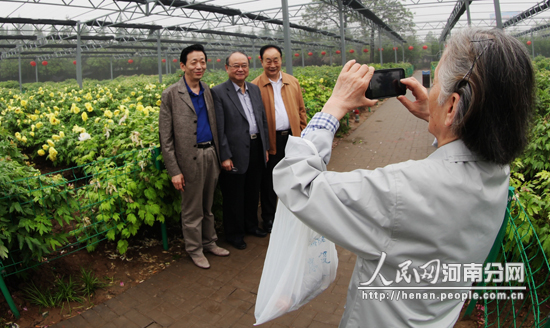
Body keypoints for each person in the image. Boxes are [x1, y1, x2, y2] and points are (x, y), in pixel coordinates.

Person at [272, 28, 533, 327]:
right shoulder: (499, 170)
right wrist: (440, 120)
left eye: (434, 82)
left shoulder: (401, 190)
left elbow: (297, 183)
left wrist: (334, 106)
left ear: (452, 106)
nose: (429, 89)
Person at [158, 44, 230, 270]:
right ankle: (194, 249)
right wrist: (174, 171)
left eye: (202, 62)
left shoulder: (208, 90)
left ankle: (209, 243)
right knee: (192, 209)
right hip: (188, 160)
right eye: (194, 62)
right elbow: (165, 138)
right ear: (183, 65)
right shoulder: (171, 94)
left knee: (207, 205)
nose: (199, 66)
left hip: (210, 154)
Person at [212, 51, 270, 250]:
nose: (240, 69)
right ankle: (234, 234)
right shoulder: (219, 92)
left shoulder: (254, 89)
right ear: (227, 68)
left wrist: (265, 147)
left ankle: (251, 225)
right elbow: (219, 128)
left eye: (244, 65)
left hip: (255, 147)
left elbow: (261, 120)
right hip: (235, 151)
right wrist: (225, 155)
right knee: (234, 195)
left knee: (253, 191)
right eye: (235, 66)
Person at [251, 44, 307, 233]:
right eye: (268, 61)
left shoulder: (292, 82)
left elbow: (301, 109)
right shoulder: (254, 86)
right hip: (270, 140)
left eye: (276, 60)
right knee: (269, 182)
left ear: (281, 60)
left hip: (291, 137)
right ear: (261, 61)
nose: (272, 64)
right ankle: (269, 219)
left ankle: (293, 215)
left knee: (293, 177)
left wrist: (302, 131)